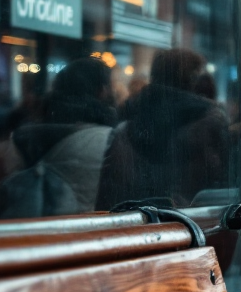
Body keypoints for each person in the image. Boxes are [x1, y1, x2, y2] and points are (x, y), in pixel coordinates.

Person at [97, 48, 230, 209]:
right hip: (193, 219)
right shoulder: (208, 120)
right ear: (191, 79)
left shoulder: (127, 121)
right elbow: (219, 177)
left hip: (135, 217)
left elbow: (110, 190)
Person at [0, 57, 117, 218]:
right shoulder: (108, 140)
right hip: (89, 234)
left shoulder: (21, 139)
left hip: (28, 235)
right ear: (102, 91)